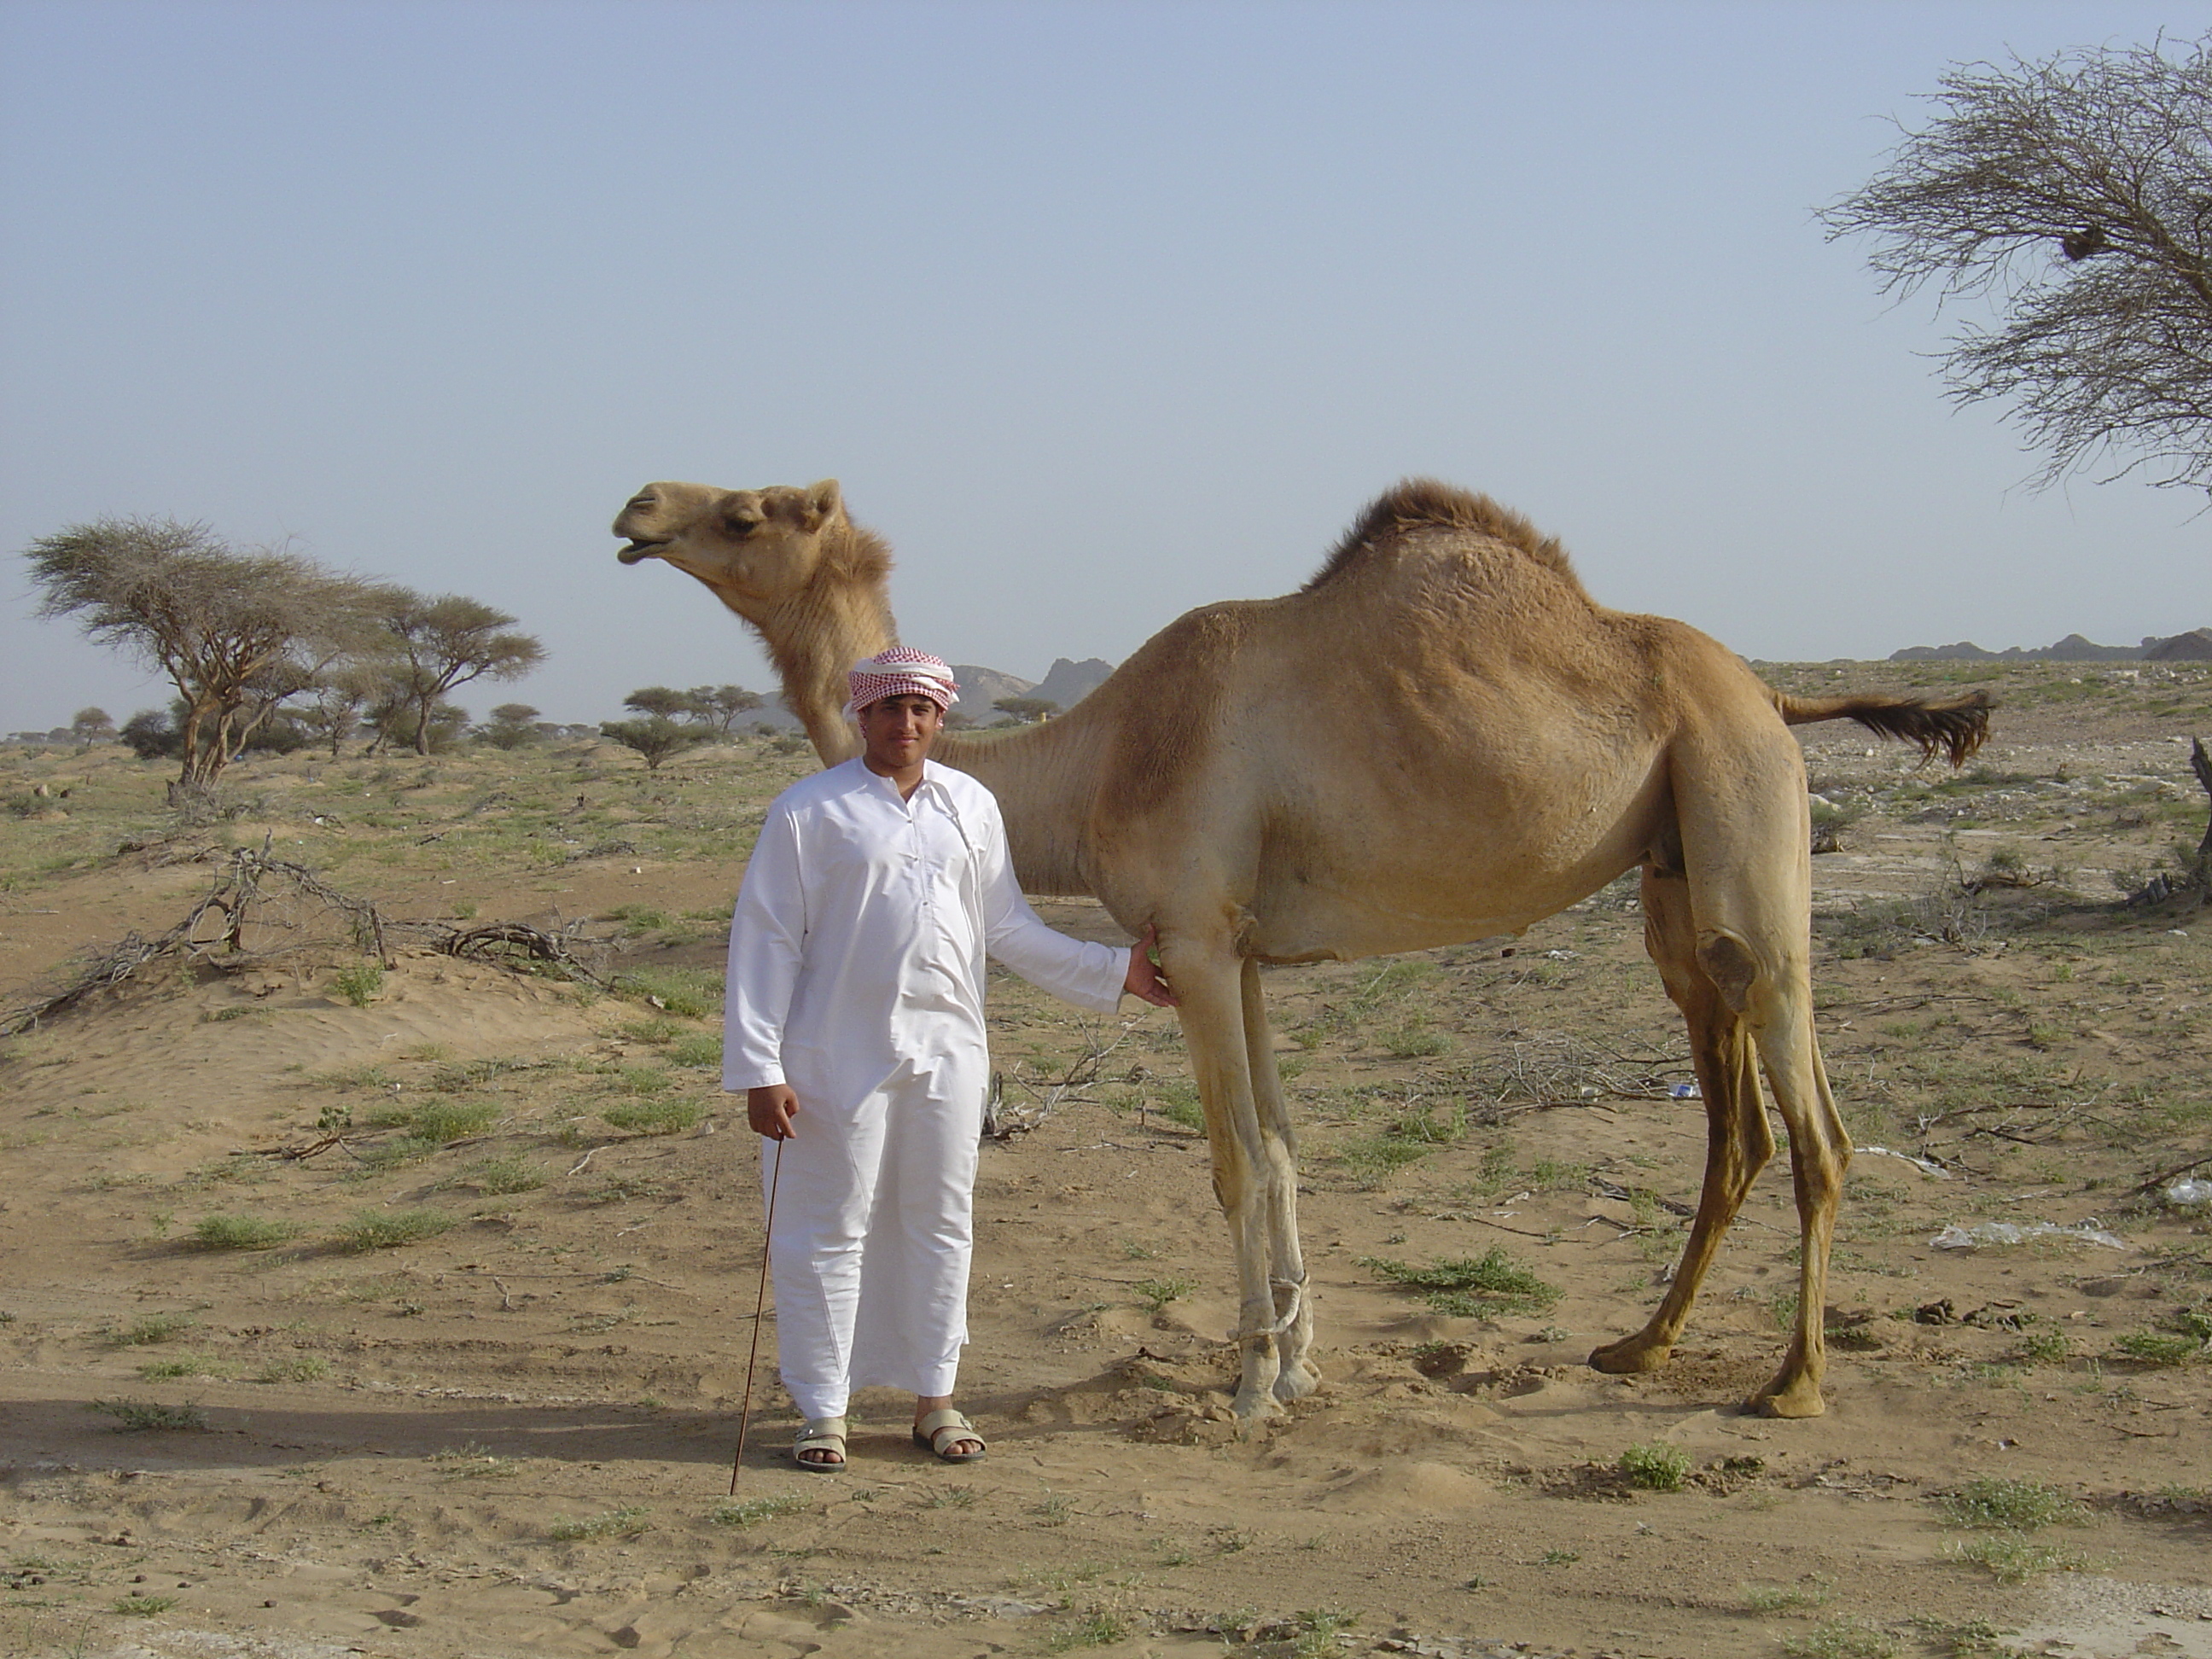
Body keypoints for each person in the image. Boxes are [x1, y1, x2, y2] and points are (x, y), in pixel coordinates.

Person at [724, 647, 1174, 1470]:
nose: (906, 724)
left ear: (941, 718)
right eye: (889, 709)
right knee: (830, 1225)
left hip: (950, 1053)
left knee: (940, 1223)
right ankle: (824, 1409)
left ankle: (937, 1398)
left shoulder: (970, 804)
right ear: (861, 715)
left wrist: (1118, 973)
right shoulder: (807, 812)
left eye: (921, 711)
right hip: (831, 1057)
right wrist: (760, 1068)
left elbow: (1006, 929)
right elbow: (765, 943)